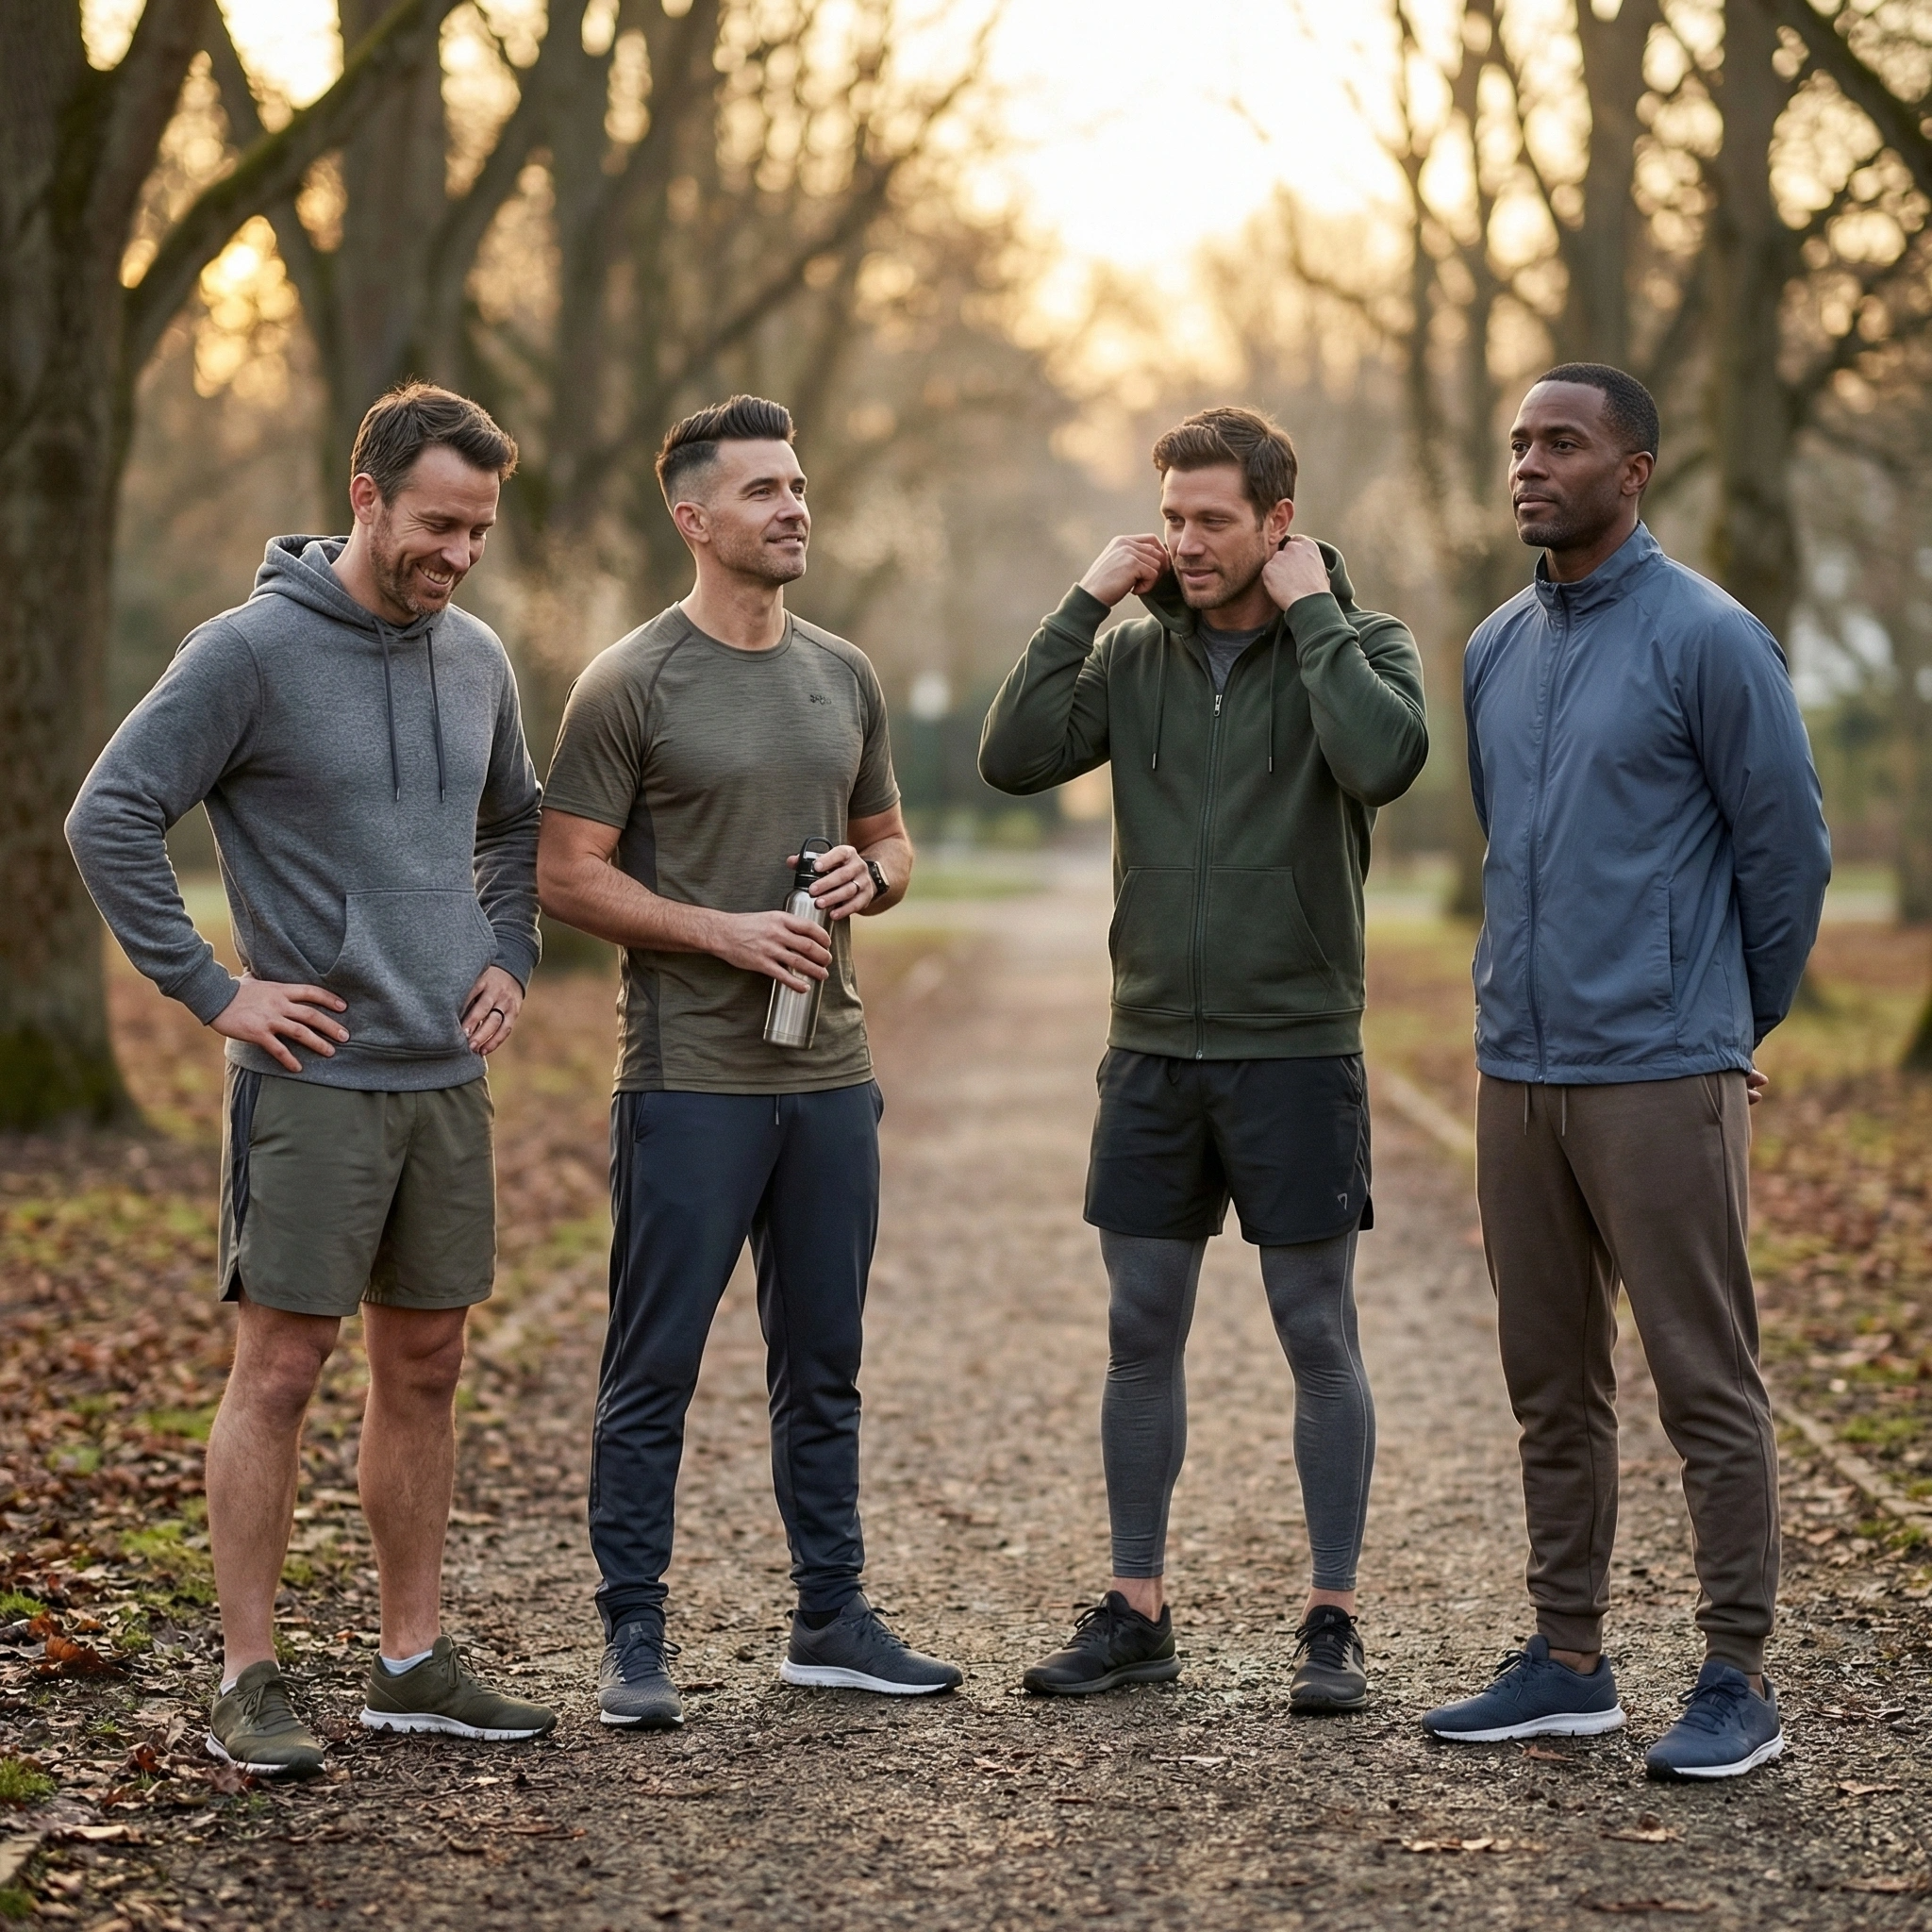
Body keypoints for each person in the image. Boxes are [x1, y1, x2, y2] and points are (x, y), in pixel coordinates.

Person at [66, 383, 556, 1776]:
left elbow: (515, 824)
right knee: (280, 1368)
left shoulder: (478, 661)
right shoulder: (248, 653)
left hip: (446, 1075)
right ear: (367, 496)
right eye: (436, 525)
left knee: (431, 1363)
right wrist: (215, 991)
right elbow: (109, 814)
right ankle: (248, 1674)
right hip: (316, 1075)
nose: (457, 555)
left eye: (477, 532)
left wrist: (509, 948)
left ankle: (412, 1662)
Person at [979, 406, 1428, 1710]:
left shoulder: (1365, 644)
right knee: (1139, 1328)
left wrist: (1316, 620)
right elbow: (1014, 756)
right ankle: (1136, 1609)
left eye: (1211, 520)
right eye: (1170, 518)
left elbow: (1385, 758)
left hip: (1295, 1051)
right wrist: (1082, 599)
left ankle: (1332, 1618)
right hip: (1153, 1051)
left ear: (1279, 523)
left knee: (1315, 1329)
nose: (1183, 542)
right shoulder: (1133, 658)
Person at [1422, 364, 1831, 1780]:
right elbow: (1514, 849)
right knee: (1549, 1381)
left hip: (1661, 1069)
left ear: (1635, 468)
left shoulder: (1713, 639)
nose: (1530, 463)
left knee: (1703, 1378)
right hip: (1516, 1071)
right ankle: (1568, 1659)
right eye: (1520, 439)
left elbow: (1789, 857)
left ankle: (1737, 1678)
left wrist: (1723, 1027)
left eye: (1563, 442)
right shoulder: (1488, 646)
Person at [537, 393, 960, 1729]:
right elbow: (565, 875)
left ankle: (831, 1621)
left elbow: (893, 844)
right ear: (695, 520)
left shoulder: (844, 672)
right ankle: (634, 1640)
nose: (795, 509)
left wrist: (871, 876)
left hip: (829, 1074)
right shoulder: (630, 681)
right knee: (653, 1365)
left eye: (799, 487)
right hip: (688, 1081)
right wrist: (717, 931)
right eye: (766, 491)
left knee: (823, 1362)